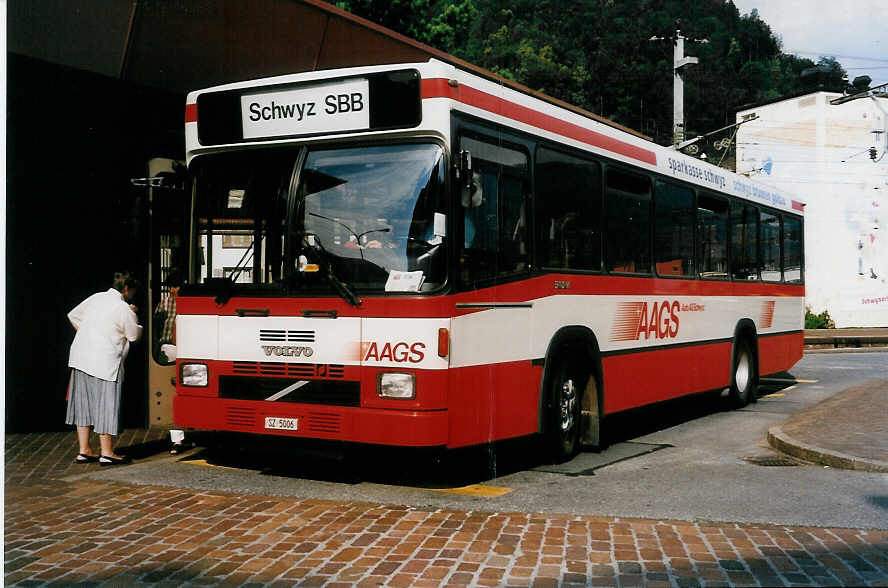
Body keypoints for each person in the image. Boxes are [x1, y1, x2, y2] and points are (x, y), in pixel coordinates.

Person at [66, 271, 142, 466]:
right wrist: (133, 313)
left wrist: (89, 335)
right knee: (105, 404)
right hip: (105, 362)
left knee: (83, 404)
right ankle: (107, 452)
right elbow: (133, 336)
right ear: (126, 289)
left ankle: (84, 450)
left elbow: (73, 316)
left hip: (81, 356)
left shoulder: (96, 297)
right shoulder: (123, 307)